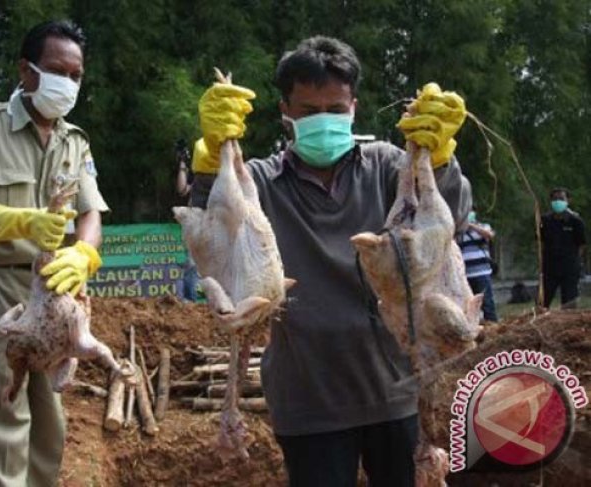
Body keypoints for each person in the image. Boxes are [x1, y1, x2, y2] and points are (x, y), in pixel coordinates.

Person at [189, 36, 471, 486]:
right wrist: (210, 157)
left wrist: (437, 160)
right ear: (286, 112)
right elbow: (214, 225)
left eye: (336, 110)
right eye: (308, 111)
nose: (324, 121)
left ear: (354, 107)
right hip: (308, 399)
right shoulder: (260, 180)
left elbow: (447, 218)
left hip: (397, 391)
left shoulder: (387, 167)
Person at [0, 20, 109, 486]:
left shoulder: (76, 141)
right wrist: (18, 221)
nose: (67, 84)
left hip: (49, 289)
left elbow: (90, 213)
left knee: (49, 424)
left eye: (76, 76)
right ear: (26, 71)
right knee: (1, 418)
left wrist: (84, 255)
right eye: (57, 70)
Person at [540, 188, 586, 309]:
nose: (558, 202)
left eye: (561, 199)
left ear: (568, 200)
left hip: (569, 267)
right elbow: (541, 242)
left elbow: (581, 244)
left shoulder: (576, 221)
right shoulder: (545, 220)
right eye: (555, 199)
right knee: (542, 301)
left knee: (569, 302)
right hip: (550, 267)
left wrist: (575, 262)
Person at [457, 207, 499, 323]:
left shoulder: (483, 226)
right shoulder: (459, 232)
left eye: (471, 211)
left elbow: (489, 235)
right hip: (465, 275)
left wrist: (470, 225)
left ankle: (493, 326)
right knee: (469, 306)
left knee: (487, 304)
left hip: (482, 273)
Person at [174, 138, 199, 302]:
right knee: (191, 263)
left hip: (216, 223)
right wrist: (183, 163)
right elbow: (182, 189)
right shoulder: (199, 181)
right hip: (196, 223)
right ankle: (190, 301)